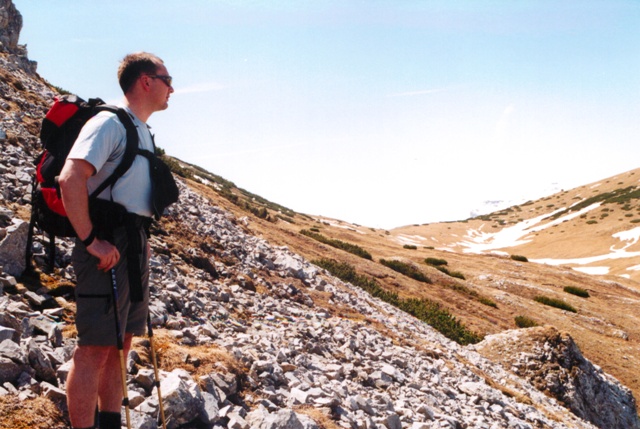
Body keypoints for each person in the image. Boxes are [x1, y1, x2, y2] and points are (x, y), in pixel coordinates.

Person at [58, 52, 174, 429]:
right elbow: (70, 178)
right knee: (93, 349)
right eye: (166, 78)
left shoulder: (142, 131)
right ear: (145, 81)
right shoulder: (109, 122)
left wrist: (141, 238)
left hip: (133, 243)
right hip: (106, 246)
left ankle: (108, 423)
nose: (172, 87)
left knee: (121, 344)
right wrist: (91, 240)